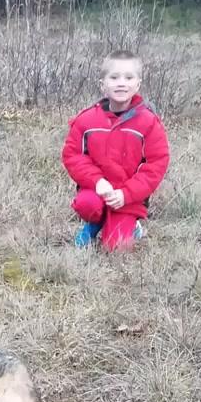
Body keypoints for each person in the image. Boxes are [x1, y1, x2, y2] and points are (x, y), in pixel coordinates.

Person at [61, 50, 170, 251]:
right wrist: (96, 181)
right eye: (114, 77)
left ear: (138, 84)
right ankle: (96, 221)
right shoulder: (86, 120)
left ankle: (132, 225)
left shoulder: (149, 123)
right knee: (86, 204)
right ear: (103, 85)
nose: (121, 83)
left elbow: (156, 164)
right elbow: (72, 155)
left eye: (129, 78)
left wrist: (126, 194)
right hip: (96, 191)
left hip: (129, 198)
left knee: (116, 247)